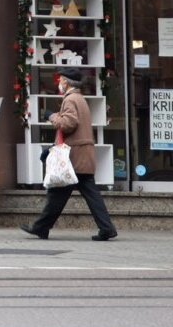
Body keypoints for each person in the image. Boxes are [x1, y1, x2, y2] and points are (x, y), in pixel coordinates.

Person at [23, 70, 118, 242]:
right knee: (86, 195)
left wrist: (50, 116)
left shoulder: (70, 99)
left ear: (66, 83)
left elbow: (68, 124)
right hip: (82, 155)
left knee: (57, 193)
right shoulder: (80, 99)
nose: (59, 83)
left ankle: (41, 228)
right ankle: (106, 228)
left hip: (74, 158)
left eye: (60, 80)